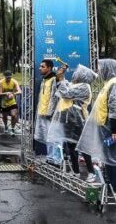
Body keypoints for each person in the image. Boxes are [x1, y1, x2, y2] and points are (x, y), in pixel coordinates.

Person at [47, 64, 97, 182]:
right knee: (71, 146)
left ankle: (91, 173)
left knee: (82, 147)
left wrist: (62, 79)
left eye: (78, 73)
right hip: (70, 120)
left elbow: (67, 94)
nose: (75, 74)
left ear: (83, 76)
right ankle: (75, 171)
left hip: (79, 121)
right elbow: (60, 90)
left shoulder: (84, 87)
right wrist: (59, 78)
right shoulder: (75, 85)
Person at [77, 59, 116, 188]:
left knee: (111, 158)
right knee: (107, 157)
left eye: (101, 67)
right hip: (104, 127)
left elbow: (114, 107)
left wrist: (114, 130)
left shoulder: (114, 83)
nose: (99, 71)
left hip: (110, 128)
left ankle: (113, 186)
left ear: (108, 68)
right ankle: (109, 183)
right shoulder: (108, 83)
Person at [34, 59, 60, 161]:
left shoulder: (55, 79)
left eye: (42, 66)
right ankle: (50, 158)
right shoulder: (44, 80)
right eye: (40, 66)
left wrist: (52, 112)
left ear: (49, 68)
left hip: (51, 115)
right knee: (47, 138)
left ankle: (56, 160)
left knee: (54, 138)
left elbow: (56, 98)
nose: (40, 68)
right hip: (42, 113)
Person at [0, 70, 22, 136]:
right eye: (7, 77)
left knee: (13, 115)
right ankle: (6, 126)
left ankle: (12, 128)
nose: (8, 78)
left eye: (10, 77)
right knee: (4, 116)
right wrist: (6, 93)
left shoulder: (14, 81)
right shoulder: (1, 82)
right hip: (4, 102)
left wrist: (13, 94)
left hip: (12, 101)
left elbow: (19, 91)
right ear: (4, 76)